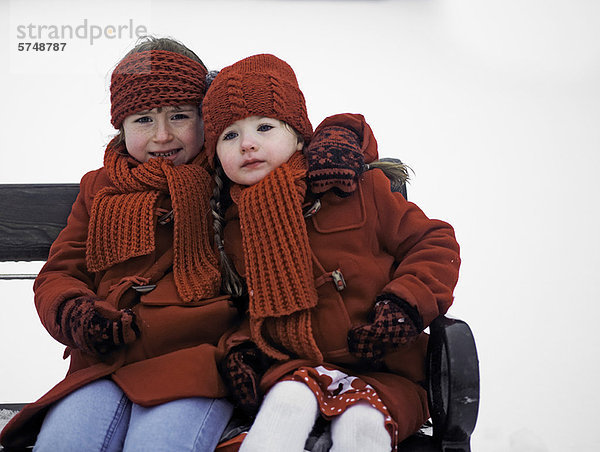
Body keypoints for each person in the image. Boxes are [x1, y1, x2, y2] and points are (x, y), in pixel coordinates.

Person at [0, 38, 372, 452]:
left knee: (162, 444)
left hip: (192, 363)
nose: (162, 136)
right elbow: (62, 270)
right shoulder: (101, 189)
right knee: (66, 441)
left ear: (207, 118)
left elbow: (288, 128)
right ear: (120, 128)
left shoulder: (232, 174)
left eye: (179, 116)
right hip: (105, 362)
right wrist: (74, 312)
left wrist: (337, 137)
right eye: (143, 119)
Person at [201, 54, 461, 452]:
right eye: (229, 136)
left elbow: (434, 242)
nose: (248, 143)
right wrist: (242, 351)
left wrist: (404, 306)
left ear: (300, 138)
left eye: (265, 127)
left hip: (386, 370)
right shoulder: (233, 225)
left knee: (364, 425)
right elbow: (240, 309)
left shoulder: (354, 188)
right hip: (294, 368)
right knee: (285, 405)